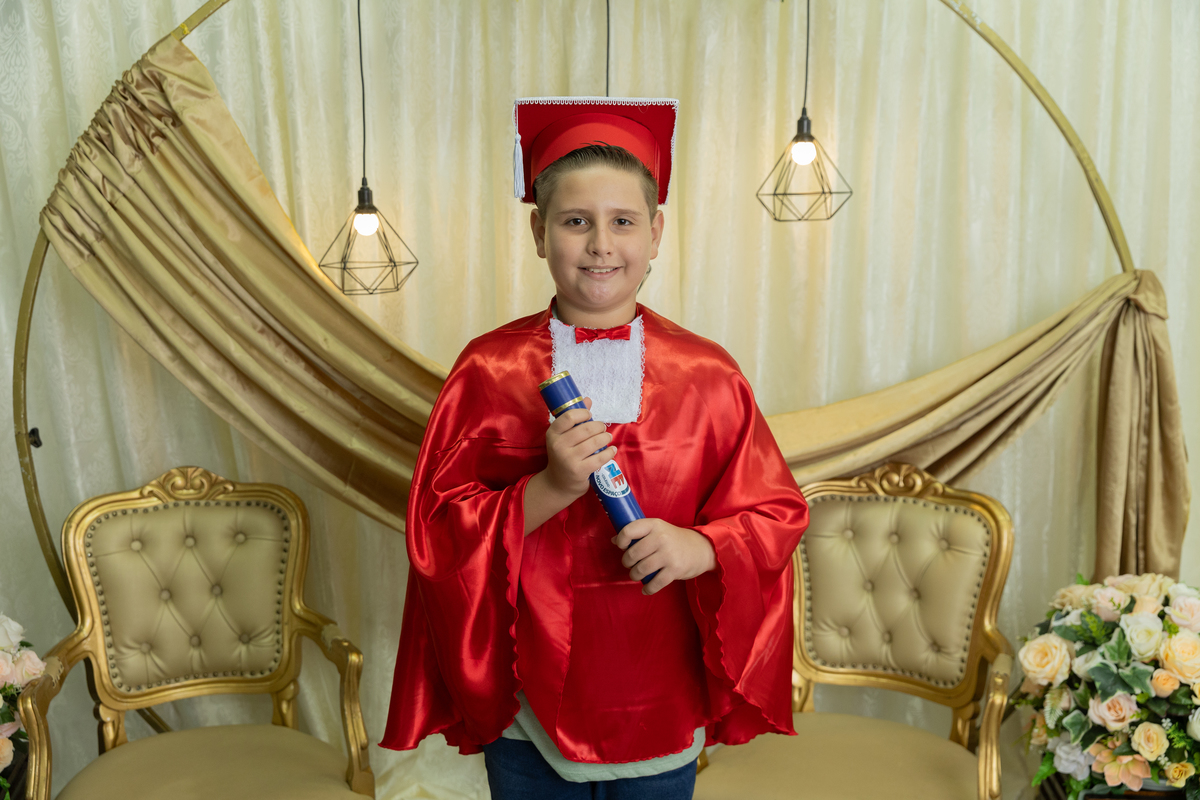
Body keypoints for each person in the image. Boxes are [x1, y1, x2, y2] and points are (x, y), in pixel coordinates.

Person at [382, 98, 810, 800]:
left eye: (623, 222)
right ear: (539, 231)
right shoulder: (487, 371)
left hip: (659, 685)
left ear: (657, 232)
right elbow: (436, 530)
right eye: (576, 221)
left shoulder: (709, 374)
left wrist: (700, 547)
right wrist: (549, 488)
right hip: (530, 699)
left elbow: (775, 513)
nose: (600, 244)